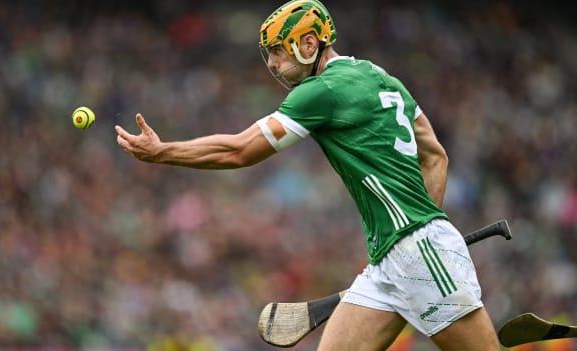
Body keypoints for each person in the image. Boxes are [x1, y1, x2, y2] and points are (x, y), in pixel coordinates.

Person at [114, 1, 499, 350]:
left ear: (310, 43)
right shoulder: (379, 76)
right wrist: (423, 226)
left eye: (279, 52)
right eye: (269, 57)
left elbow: (239, 150)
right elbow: (435, 156)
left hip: (416, 251)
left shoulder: (321, 90)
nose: (273, 66)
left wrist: (164, 153)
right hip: (391, 260)